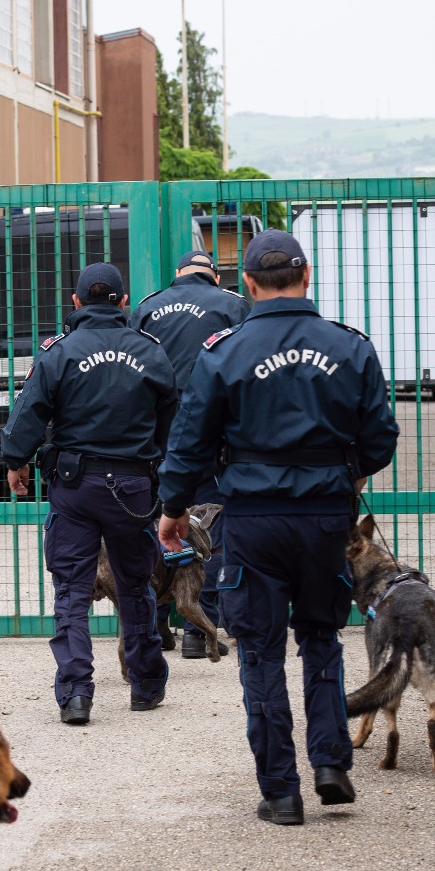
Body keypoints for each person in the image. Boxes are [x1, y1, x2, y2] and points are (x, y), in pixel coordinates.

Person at [157, 229, 399, 827]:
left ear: (247, 283)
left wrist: (173, 509)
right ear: (306, 274)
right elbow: (380, 440)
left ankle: (281, 791)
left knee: (260, 653)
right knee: (320, 637)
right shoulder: (351, 348)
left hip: (253, 523)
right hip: (324, 521)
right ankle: (331, 765)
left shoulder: (224, 350)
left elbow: (190, 443)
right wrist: (338, 472)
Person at [0, 262, 177, 725]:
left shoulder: (59, 352)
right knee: (136, 586)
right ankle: (146, 685)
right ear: (123, 302)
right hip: (135, 488)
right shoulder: (150, 351)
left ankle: (76, 694)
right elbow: (172, 423)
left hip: (75, 487)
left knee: (71, 592)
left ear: (76, 303)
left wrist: (15, 462)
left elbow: (29, 413)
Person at [129, 248, 247, 658]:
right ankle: (201, 629)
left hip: (154, 435)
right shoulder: (234, 306)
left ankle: (157, 622)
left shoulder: (146, 308)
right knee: (210, 525)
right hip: (213, 434)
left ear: (178, 274)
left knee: (156, 520)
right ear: (214, 277)